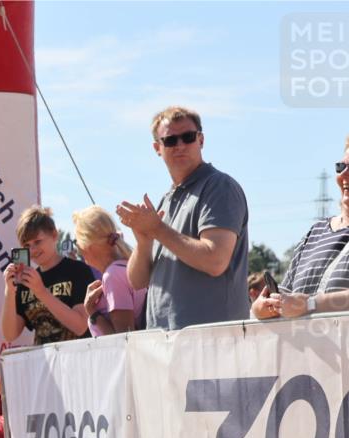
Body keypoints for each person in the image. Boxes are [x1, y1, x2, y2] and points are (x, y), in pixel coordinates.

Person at [117, 106, 249, 330]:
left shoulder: (219, 186)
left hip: (211, 341)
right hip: (168, 344)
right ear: (157, 148)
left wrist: (157, 229)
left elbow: (215, 260)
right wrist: (144, 241)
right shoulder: (166, 200)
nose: (180, 145)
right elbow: (137, 282)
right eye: (170, 140)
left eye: (188, 137)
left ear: (201, 140)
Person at [252, 135, 349, 320]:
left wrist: (310, 304)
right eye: (341, 166)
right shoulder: (315, 233)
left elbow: (304, 304)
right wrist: (264, 307)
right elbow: (287, 294)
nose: (344, 174)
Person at [1, 205, 94, 345]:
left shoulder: (78, 270)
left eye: (38, 242)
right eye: (26, 245)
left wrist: (41, 292)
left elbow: (81, 326)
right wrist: (9, 291)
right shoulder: (26, 281)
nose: (32, 250)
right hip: (44, 365)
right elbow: (10, 334)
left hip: (78, 361)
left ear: (54, 235)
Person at [73, 205, 146, 336]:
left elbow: (124, 340)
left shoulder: (113, 276)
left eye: (77, 243)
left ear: (88, 246)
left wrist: (93, 312)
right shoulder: (125, 267)